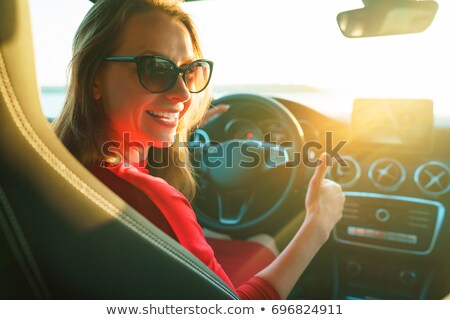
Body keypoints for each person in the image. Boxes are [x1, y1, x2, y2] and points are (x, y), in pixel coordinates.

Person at [52, 0, 345, 299]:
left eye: (190, 72)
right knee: (265, 240)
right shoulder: (156, 199)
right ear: (94, 78)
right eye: (155, 69)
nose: (182, 95)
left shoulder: (52, 163)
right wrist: (317, 225)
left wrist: (172, 127)